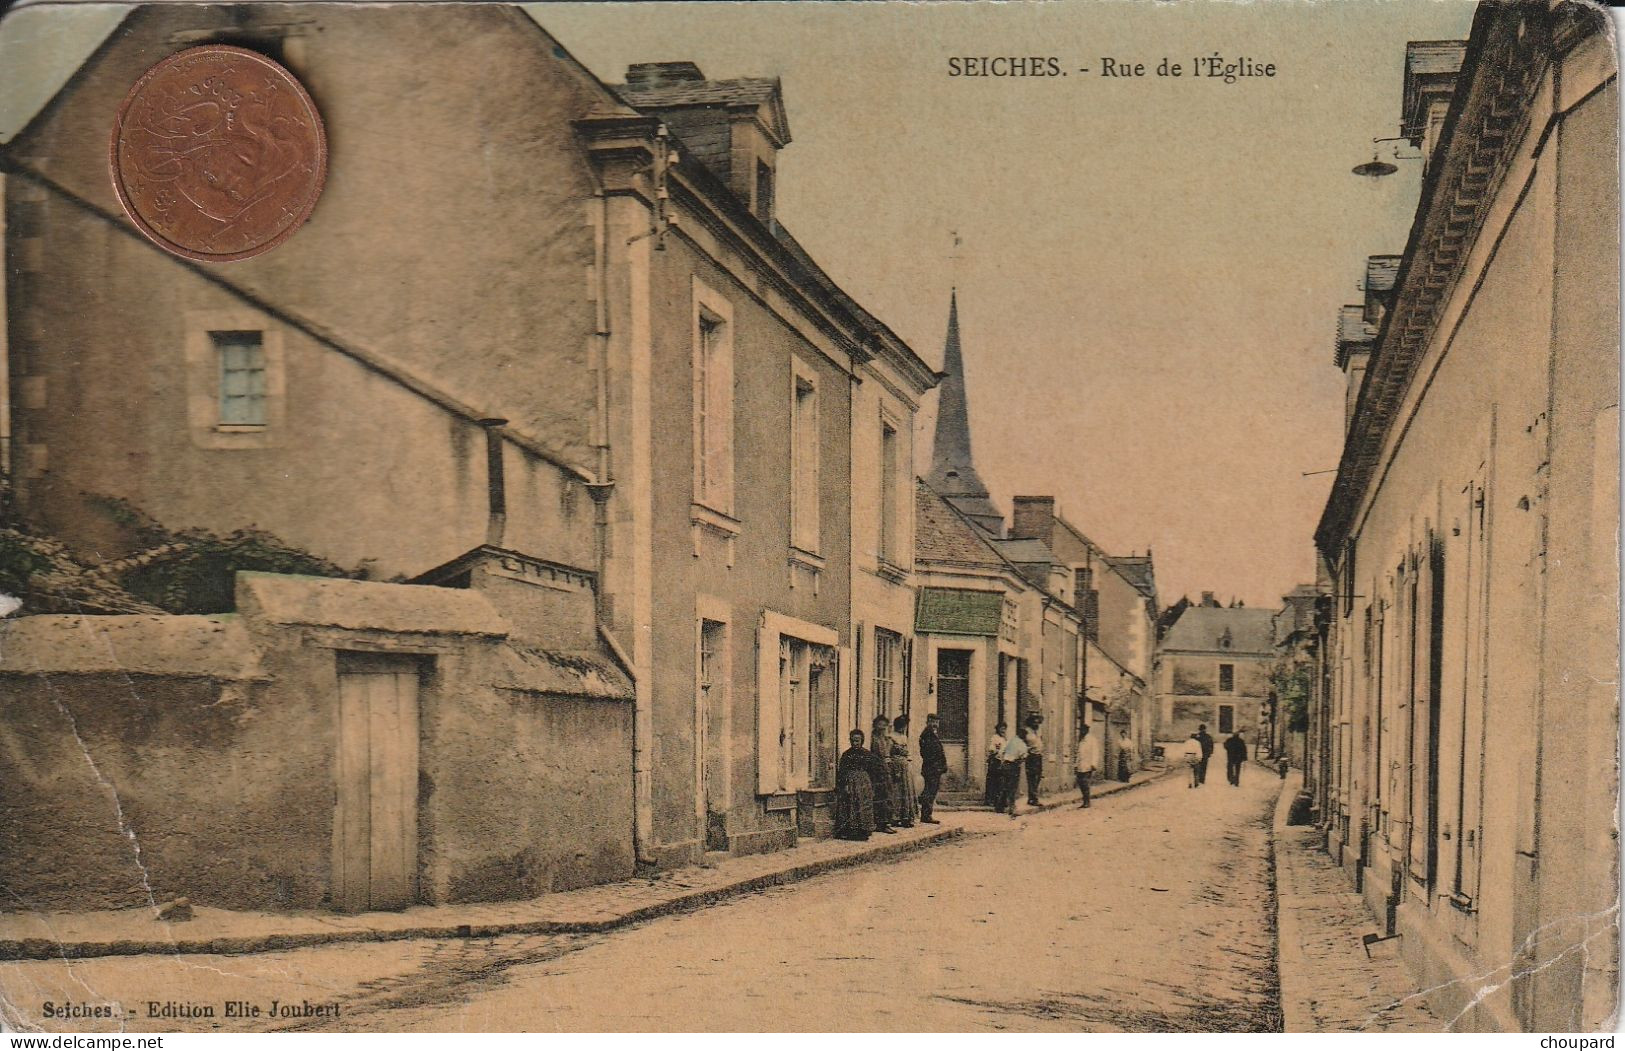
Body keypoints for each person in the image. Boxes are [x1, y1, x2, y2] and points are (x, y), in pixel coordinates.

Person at [834, 730, 879, 840]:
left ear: (862, 741)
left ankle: (864, 830)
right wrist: (845, 785)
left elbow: (872, 771)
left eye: (857, 741)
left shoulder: (867, 754)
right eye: (853, 741)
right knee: (851, 804)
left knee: (864, 805)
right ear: (850, 741)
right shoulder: (846, 754)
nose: (855, 743)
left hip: (864, 782)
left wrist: (872, 786)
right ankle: (851, 830)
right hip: (851, 781)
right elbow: (842, 771)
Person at [865, 718, 896, 832]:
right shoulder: (873, 738)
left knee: (888, 796)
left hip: (885, 770)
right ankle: (881, 823)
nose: (882, 727)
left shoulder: (885, 739)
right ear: (875, 725)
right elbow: (874, 755)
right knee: (880, 797)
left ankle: (885, 822)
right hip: (877, 771)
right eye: (880, 725)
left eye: (885, 725)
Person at [918, 713, 948, 824]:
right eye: (932, 722)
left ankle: (927, 814)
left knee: (931, 791)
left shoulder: (932, 734)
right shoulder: (927, 735)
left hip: (934, 768)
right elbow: (927, 753)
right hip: (931, 768)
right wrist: (937, 764)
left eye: (936, 722)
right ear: (928, 722)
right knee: (930, 791)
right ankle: (926, 815)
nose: (935, 724)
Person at [889, 714, 918, 828]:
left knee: (906, 791)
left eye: (904, 726)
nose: (903, 728)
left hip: (905, 766)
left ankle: (906, 817)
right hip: (896, 766)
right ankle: (895, 817)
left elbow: (907, 752)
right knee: (897, 791)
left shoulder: (904, 737)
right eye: (901, 726)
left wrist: (907, 756)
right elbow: (890, 752)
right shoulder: (891, 737)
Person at [997, 727, 1029, 816]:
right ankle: (1011, 808)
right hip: (1014, 766)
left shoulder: (1010, 741)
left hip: (1005, 764)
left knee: (1004, 786)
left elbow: (1001, 751)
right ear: (1023, 736)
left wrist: (1003, 760)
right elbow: (1024, 756)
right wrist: (1019, 762)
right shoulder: (1022, 744)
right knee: (1012, 787)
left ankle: (999, 807)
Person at [1075, 723, 1103, 808]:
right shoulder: (1081, 741)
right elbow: (1078, 754)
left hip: (1088, 766)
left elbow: (1095, 752)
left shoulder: (1092, 740)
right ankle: (1085, 801)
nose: (1082, 731)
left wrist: (1093, 764)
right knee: (1081, 783)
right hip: (1080, 766)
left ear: (1087, 730)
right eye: (1081, 730)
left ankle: (1087, 802)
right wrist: (1076, 765)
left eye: (1083, 730)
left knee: (1085, 783)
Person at [1021, 714, 1045, 806]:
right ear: (1030, 722)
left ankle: (1032, 797)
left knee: (1038, 777)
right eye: (1034, 721)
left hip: (1039, 756)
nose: (1036, 722)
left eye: (1037, 721)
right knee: (1032, 777)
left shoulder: (1038, 732)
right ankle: (1033, 798)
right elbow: (1022, 744)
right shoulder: (1026, 731)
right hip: (1031, 756)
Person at [985, 721, 1008, 807]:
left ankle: (998, 800)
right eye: (1001, 728)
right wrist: (996, 751)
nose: (1003, 730)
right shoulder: (995, 737)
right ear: (998, 729)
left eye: (1004, 729)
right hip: (995, 761)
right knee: (993, 781)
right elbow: (992, 749)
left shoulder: (1004, 739)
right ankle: (989, 800)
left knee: (1000, 782)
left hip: (1002, 761)